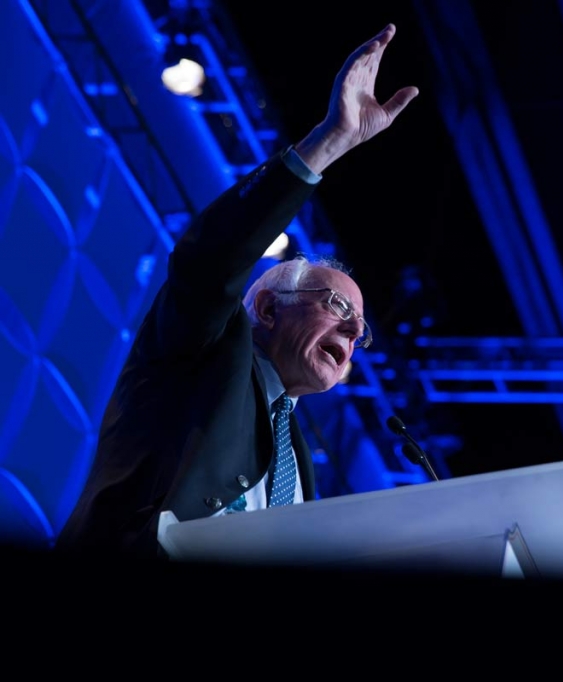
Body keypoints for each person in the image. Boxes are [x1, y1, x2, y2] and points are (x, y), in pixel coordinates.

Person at [54, 23, 419, 558]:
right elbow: (210, 259)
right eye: (338, 306)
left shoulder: (297, 456)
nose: (352, 328)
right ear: (268, 307)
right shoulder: (202, 347)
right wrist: (328, 143)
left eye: (360, 329)